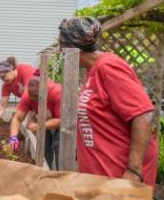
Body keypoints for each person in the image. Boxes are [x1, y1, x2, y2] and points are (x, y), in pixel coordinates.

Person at [58, 17, 158, 187]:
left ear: (71, 47)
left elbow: (143, 114)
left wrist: (133, 171)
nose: (60, 52)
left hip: (120, 175)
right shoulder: (93, 70)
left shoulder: (108, 67)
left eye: (61, 46)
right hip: (103, 175)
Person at [8, 70, 61, 169]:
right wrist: (13, 137)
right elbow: (17, 118)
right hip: (44, 119)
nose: (32, 99)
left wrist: (39, 125)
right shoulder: (28, 96)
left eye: (36, 96)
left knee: (59, 145)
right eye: (30, 96)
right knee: (43, 145)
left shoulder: (57, 93)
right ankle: (45, 173)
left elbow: (60, 120)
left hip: (62, 121)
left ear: (44, 90)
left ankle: (62, 175)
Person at [0, 57, 36, 125]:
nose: (3, 80)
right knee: (25, 125)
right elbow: (2, 104)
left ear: (11, 70)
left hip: (44, 97)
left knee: (27, 124)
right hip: (32, 102)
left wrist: (18, 114)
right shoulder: (6, 85)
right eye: (1, 78)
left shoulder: (25, 70)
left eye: (4, 76)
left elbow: (28, 94)